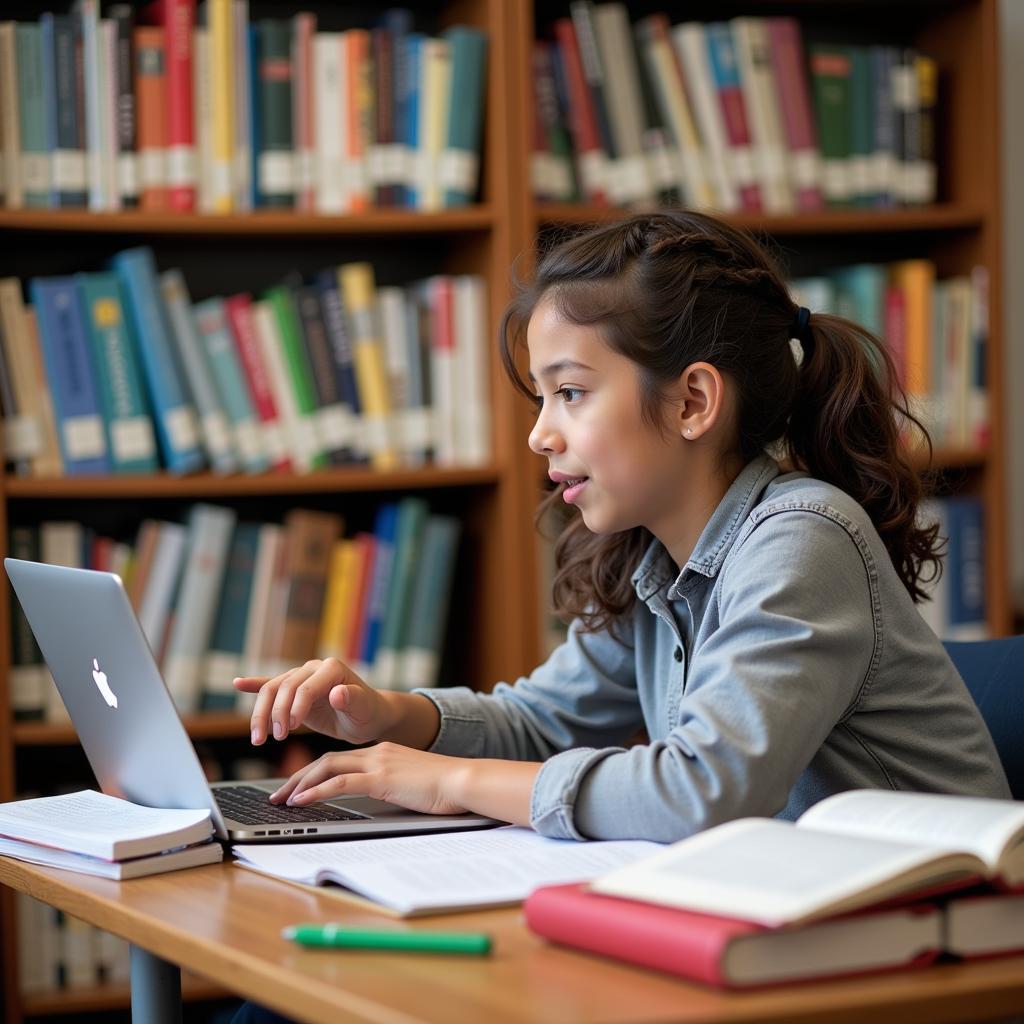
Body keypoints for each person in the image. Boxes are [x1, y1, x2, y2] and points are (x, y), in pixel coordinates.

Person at [234, 210, 1009, 846]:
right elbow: (544, 721)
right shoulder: (656, 556)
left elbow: (704, 792)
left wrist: (443, 780)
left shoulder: (802, 537)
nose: (541, 435)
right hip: (801, 920)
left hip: (937, 941)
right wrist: (388, 716)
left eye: (570, 392)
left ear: (692, 403)